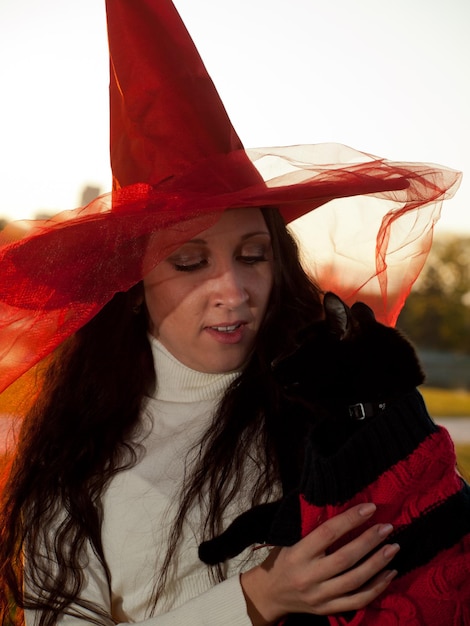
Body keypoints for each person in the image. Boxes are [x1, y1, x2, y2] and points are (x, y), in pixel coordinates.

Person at [0, 1, 463, 625]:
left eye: (254, 255)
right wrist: (256, 599)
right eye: (190, 263)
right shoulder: (81, 454)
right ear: (134, 285)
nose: (235, 289)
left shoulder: (336, 409)